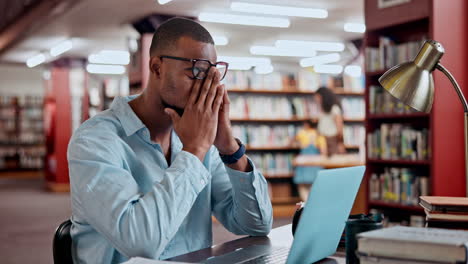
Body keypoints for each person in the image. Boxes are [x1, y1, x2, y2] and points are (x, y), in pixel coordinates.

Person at [67, 18, 272, 264]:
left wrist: (230, 150)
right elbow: (141, 243)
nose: (206, 87)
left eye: (211, 75)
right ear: (156, 68)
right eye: (195, 71)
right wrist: (194, 150)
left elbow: (257, 224)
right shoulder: (94, 141)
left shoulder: (203, 140)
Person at [315, 87, 345, 156]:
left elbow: (339, 128)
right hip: (322, 140)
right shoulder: (322, 110)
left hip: (332, 140)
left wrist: (340, 142)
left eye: (318, 97)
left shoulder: (334, 109)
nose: (317, 100)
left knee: (333, 162)